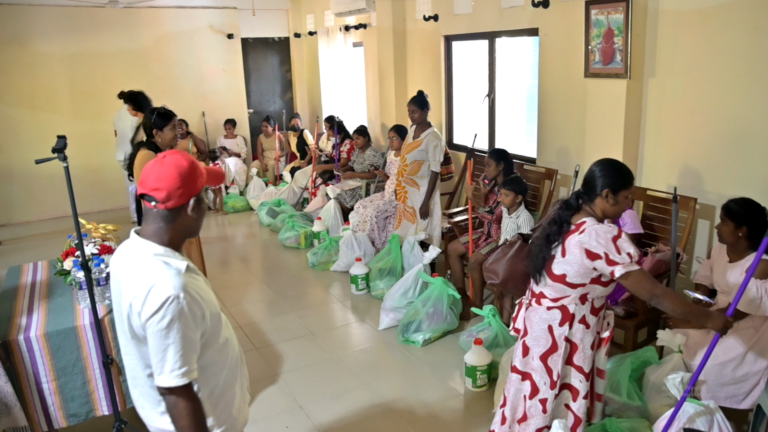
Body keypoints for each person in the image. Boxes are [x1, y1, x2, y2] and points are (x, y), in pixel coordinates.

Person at [490, 158, 731, 432]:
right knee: (554, 400)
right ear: (607, 195)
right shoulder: (600, 235)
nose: (629, 205)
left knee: (534, 397)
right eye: (627, 197)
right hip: (564, 333)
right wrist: (709, 319)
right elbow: (654, 294)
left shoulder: (565, 216)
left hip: (541, 326)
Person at [111, 150, 249, 432]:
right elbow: (175, 390)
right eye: (204, 196)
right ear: (192, 207)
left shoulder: (127, 252)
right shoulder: (170, 289)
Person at [667, 197, 768, 409]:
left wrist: (690, 320)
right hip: (714, 314)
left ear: (741, 230)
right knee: (676, 341)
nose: (717, 226)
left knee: (708, 365)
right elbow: (705, 279)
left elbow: (737, 312)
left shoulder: (760, 265)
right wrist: (698, 301)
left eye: (724, 222)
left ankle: (711, 409)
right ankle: (683, 403)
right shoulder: (720, 248)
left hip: (743, 326)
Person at [126, 106, 209, 276]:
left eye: (177, 127)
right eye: (172, 128)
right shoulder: (147, 156)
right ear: (157, 134)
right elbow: (162, 195)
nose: (177, 132)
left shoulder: (161, 152)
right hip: (165, 225)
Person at [446, 149, 523, 318]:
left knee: (474, 261)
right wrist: (482, 193)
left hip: (500, 237)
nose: (485, 170)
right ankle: (462, 296)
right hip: (486, 230)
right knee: (452, 248)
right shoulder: (493, 184)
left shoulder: (510, 188)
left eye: (488, 165)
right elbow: (485, 210)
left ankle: (477, 305)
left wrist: (472, 197)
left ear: (501, 166)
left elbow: (494, 217)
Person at [394, 90, 445, 247]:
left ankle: (423, 259)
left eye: (414, 112)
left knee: (421, 232)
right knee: (406, 230)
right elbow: (404, 160)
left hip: (422, 192)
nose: (411, 115)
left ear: (426, 111)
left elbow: (435, 171)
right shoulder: (411, 130)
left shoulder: (433, 138)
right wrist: (398, 185)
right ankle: (407, 259)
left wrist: (425, 202)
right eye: (409, 112)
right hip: (407, 191)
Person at [350, 124, 406, 251]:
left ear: (404, 139)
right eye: (389, 138)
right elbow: (389, 178)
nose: (390, 142)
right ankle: (361, 243)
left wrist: (398, 193)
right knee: (360, 205)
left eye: (394, 138)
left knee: (372, 212)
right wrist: (382, 174)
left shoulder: (408, 157)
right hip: (387, 193)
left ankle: (376, 246)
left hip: (398, 198)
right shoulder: (390, 154)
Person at [114, 90, 151, 223]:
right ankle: (139, 217)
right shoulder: (139, 119)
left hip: (138, 159)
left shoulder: (145, 120)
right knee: (136, 188)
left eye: (129, 106)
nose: (128, 109)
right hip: (135, 158)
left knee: (135, 188)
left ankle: (137, 216)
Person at [335, 125, 386, 214]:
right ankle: (344, 218)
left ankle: (348, 218)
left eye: (358, 139)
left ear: (366, 138)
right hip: (356, 183)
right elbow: (351, 165)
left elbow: (373, 174)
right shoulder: (358, 151)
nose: (355, 142)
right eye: (354, 139)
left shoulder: (372, 153)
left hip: (368, 185)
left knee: (342, 201)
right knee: (334, 195)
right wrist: (342, 170)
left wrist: (353, 174)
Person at [253, 115, 288, 185]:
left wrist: (279, 156)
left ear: (272, 127)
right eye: (262, 126)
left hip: (276, 158)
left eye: (266, 126)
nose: (263, 128)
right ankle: (254, 186)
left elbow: (287, 150)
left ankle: (271, 185)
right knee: (253, 166)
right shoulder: (260, 137)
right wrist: (262, 163)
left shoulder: (278, 135)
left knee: (270, 165)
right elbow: (259, 153)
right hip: (265, 158)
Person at [284, 113, 315, 178]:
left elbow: (313, 148)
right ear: (289, 125)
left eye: (297, 124)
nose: (295, 126)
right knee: (285, 173)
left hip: (308, 161)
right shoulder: (289, 134)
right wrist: (285, 139)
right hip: (299, 161)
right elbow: (289, 151)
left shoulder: (305, 132)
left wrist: (305, 162)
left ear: (301, 124)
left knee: (295, 173)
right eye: (293, 124)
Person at [207, 149, 227, 214]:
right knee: (220, 195)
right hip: (216, 182)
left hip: (211, 182)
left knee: (215, 195)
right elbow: (224, 162)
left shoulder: (210, 163)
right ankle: (222, 209)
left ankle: (215, 209)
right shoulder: (219, 163)